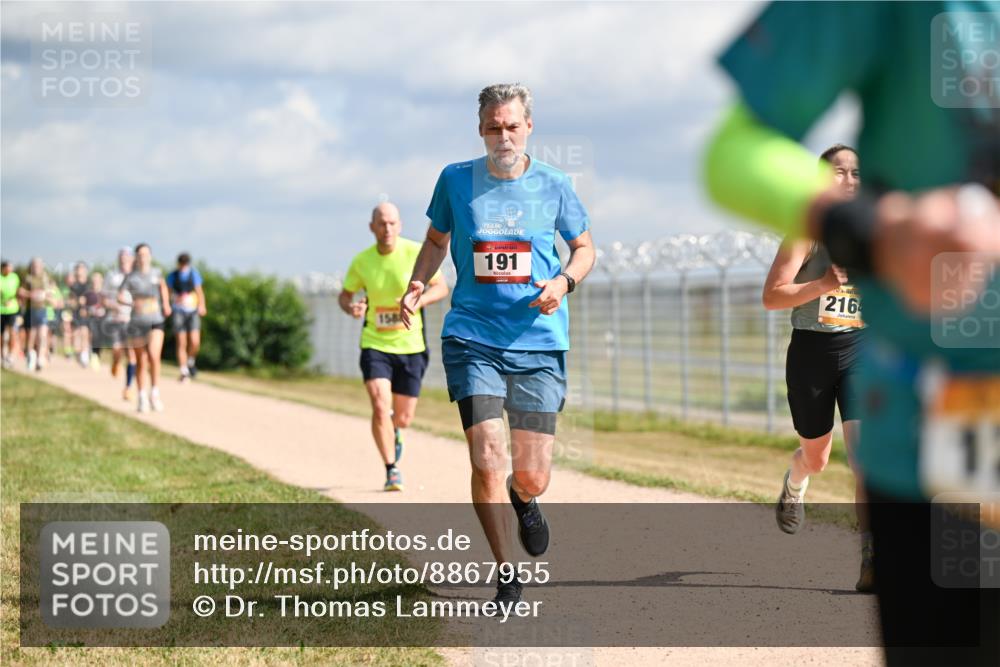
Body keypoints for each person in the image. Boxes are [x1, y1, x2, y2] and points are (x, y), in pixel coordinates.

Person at [704, 3, 999, 664]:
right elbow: (734, 154)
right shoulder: (816, 231)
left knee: (857, 453)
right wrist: (873, 235)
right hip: (942, 408)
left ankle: (865, 551)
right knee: (818, 452)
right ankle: (804, 481)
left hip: (865, 352)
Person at [402, 83, 595, 605]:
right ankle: (506, 571)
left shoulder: (554, 184)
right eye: (493, 126)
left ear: (528, 126)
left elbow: (583, 249)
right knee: (487, 456)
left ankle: (523, 497)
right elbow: (436, 242)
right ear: (480, 129)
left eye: (511, 125)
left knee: (532, 473)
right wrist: (419, 282)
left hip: (537, 340)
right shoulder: (455, 180)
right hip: (472, 337)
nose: (502, 135)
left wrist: (564, 283)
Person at [762, 144, 873, 591]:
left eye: (855, 172)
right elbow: (772, 296)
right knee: (818, 457)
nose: (848, 180)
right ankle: (795, 483)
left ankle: (872, 558)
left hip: (862, 349)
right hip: (811, 353)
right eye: (837, 172)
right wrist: (823, 283)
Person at [339, 202, 449, 491]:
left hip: (411, 345)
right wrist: (351, 307)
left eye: (392, 223)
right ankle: (391, 470)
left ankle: (396, 432)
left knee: (403, 416)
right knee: (379, 405)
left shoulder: (415, 252)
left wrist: (418, 301)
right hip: (375, 343)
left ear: (399, 225)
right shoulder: (361, 261)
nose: (387, 228)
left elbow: (441, 287)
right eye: (381, 223)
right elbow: (345, 295)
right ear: (372, 227)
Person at [120, 243, 171, 412]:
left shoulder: (156, 273)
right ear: (136, 257)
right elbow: (120, 295)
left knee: (154, 356)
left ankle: (154, 393)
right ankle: (141, 395)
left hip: (156, 319)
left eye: (146, 254)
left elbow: (163, 287)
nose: (143, 257)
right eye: (140, 254)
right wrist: (132, 303)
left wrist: (165, 304)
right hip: (137, 322)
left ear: (150, 256)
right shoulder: (131, 277)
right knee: (141, 360)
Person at [165, 252, 207, 382]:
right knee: (181, 342)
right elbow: (168, 293)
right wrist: (169, 304)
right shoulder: (173, 276)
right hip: (178, 311)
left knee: (195, 341)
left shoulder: (193, 274)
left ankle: (190, 361)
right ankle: (183, 371)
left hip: (192, 311)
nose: (183, 266)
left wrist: (202, 305)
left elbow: (199, 292)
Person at [103, 247, 138, 399]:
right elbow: (103, 299)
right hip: (114, 319)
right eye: (122, 257)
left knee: (131, 353)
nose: (124, 260)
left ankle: (128, 387)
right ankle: (116, 362)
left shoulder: (137, 277)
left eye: (127, 257)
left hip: (131, 320)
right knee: (117, 350)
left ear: (132, 260)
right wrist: (114, 306)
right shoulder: (112, 276)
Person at [18, 258, 53, 372]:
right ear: (31, 267)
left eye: (39, 265)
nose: (37, 267)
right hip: (30, 310)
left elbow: (50, 292)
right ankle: (31, 355)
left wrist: (45, 296)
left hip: (42, 310)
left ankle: (40, 358)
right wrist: (31, 294)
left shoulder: (45, 278)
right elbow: (20, 292)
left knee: (42, 334)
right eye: (34, 265)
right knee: (32, 335)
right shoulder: (28, 278)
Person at [68, 262, 92, 367]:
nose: (80, 271)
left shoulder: (89, 284)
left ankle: (85, 353)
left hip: (87, 312)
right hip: (76, 312)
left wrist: (86, 304)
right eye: (78, 269)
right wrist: (78, 301)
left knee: (85, 331)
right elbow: (71, 300)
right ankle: (79, 353)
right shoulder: (73, 286)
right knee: (77, 333)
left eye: (82, 269)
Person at [1, 261, 21, 368]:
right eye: (8, 268)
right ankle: (1, 356)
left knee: (12, 333)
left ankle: (10, 356)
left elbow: (18, 291)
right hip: (1, 310)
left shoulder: (15, 277)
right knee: (1, 335)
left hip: (12, 310)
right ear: (3, 268)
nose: (10, 270)